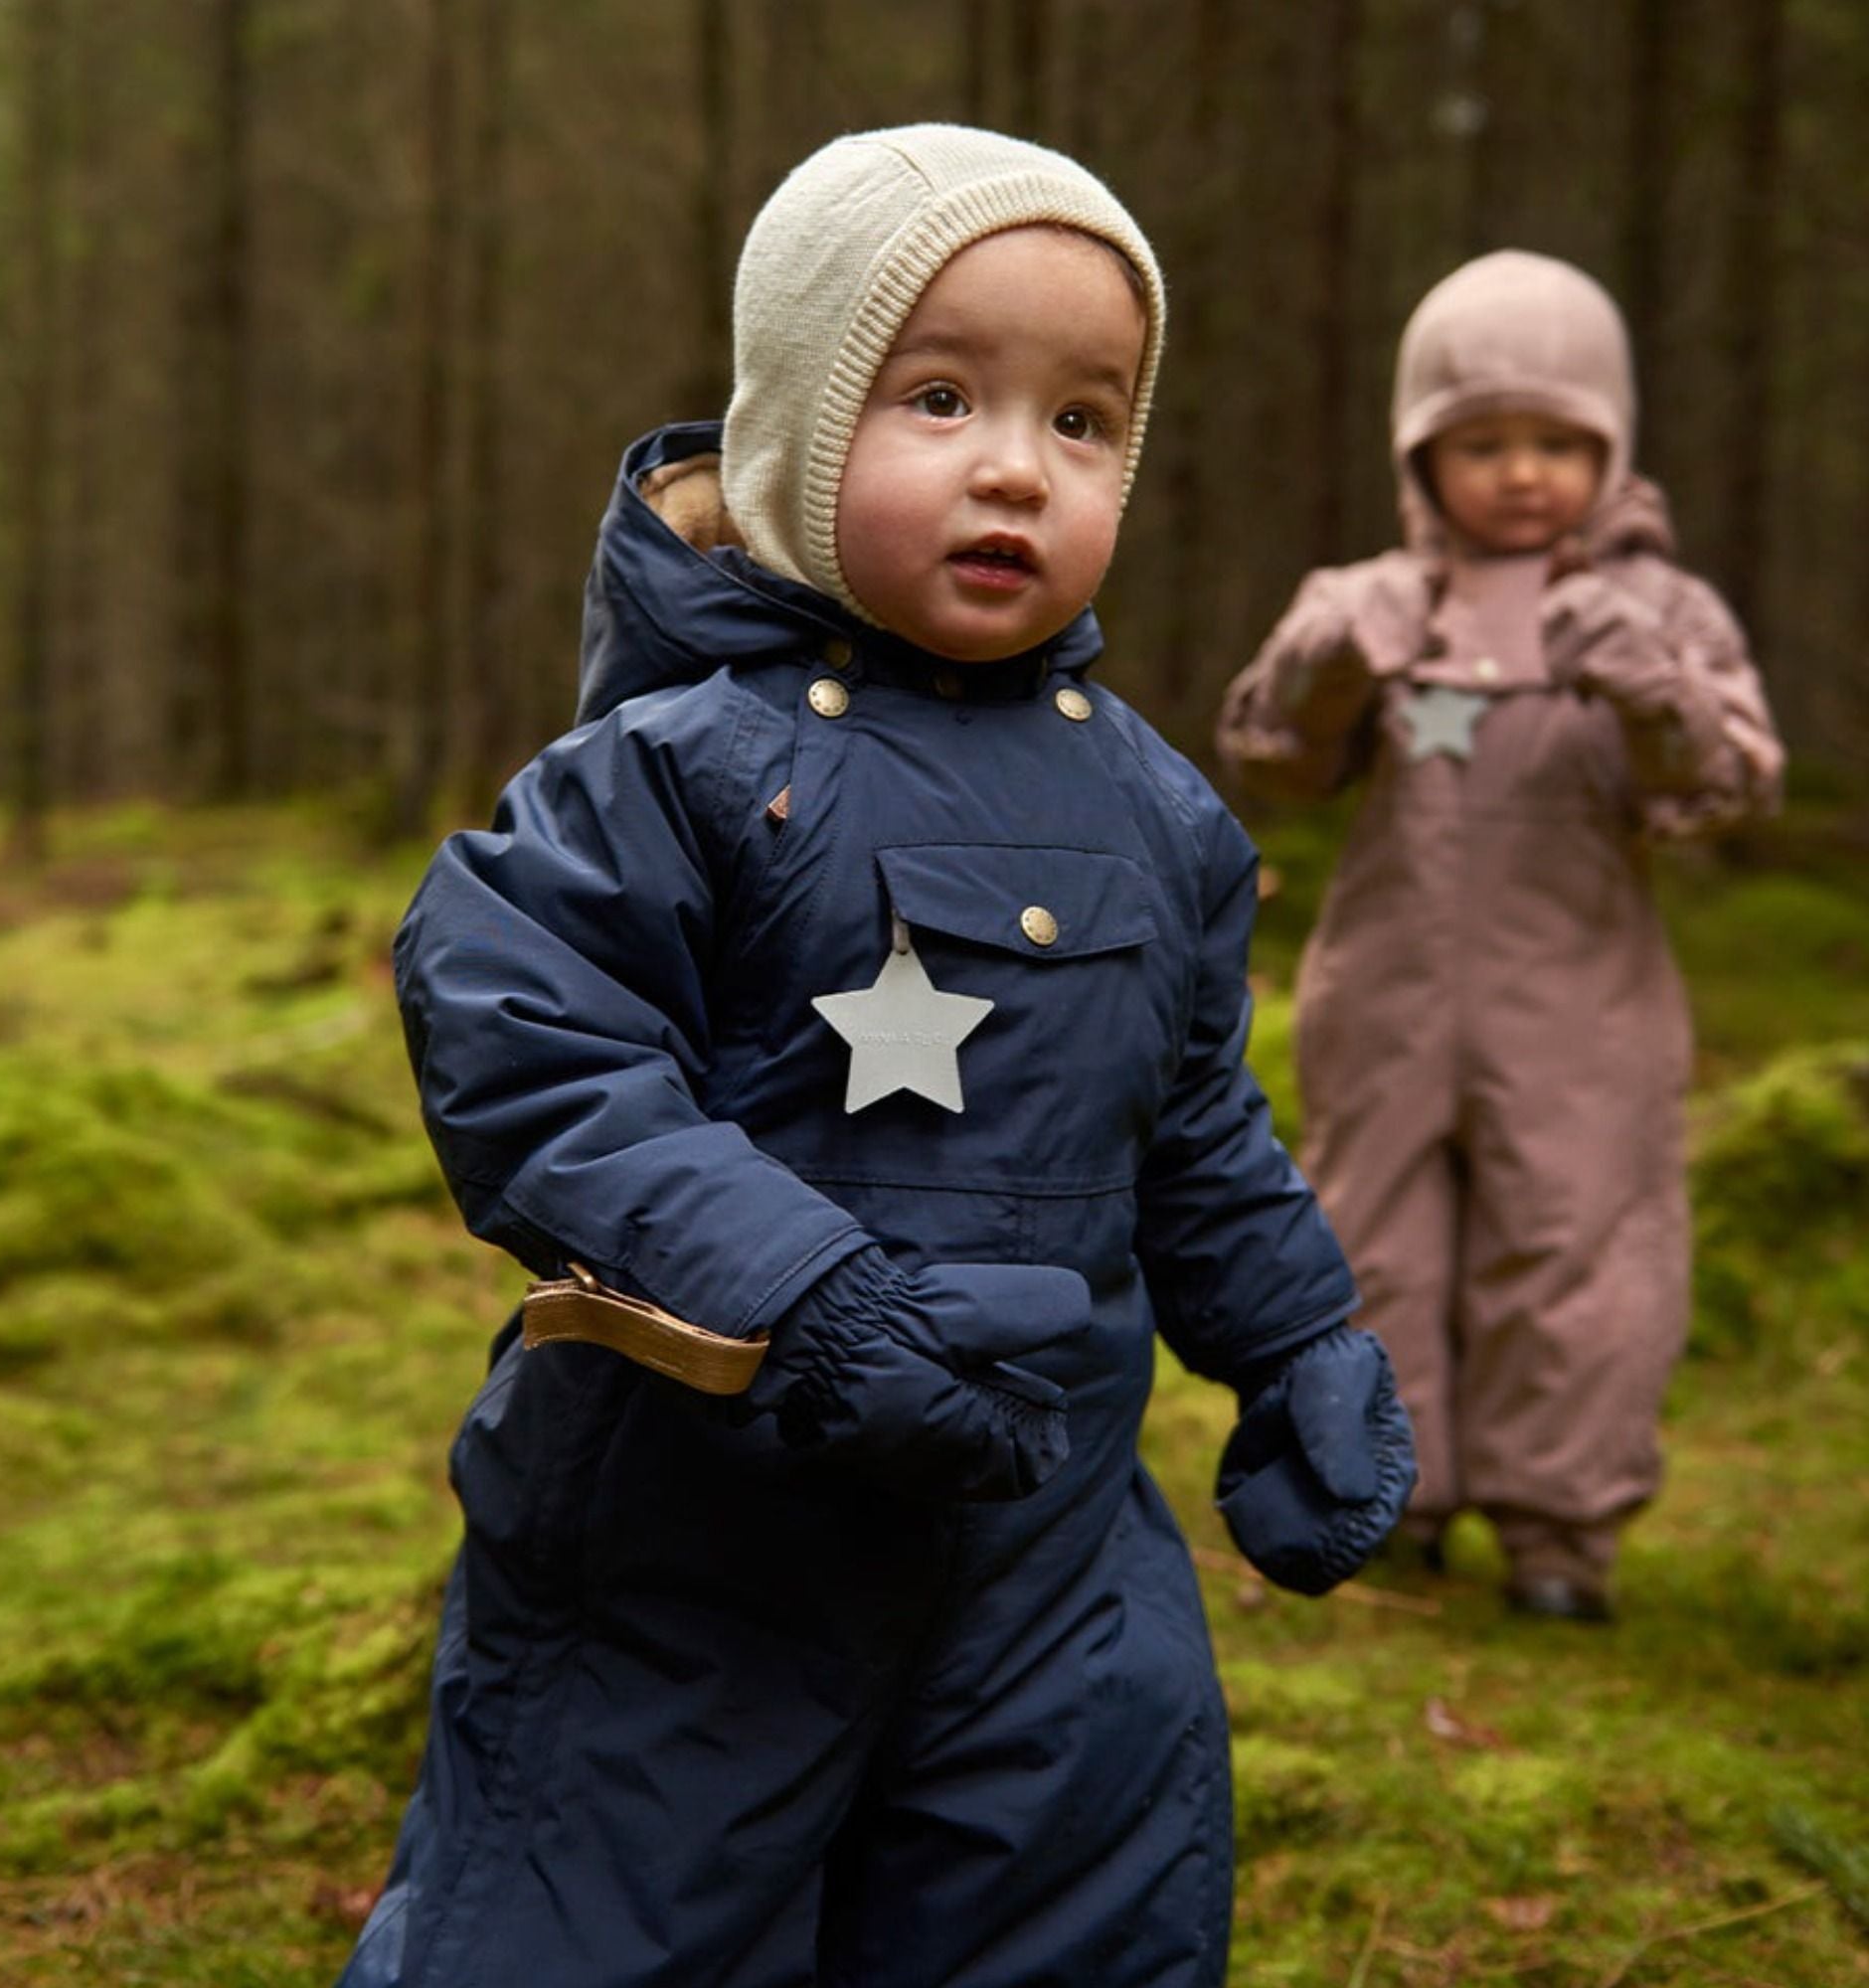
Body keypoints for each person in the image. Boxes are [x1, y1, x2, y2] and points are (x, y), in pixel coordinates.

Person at [337, 124, 1413, 1988]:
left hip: (1044, 1524)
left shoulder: (1156, 810)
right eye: (938, 397)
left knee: (1064, 1905)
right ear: (794, 438)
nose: (1015, 464)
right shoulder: (673, 768)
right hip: (705, 1520)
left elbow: (1191, 1118)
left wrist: (1295, 1337)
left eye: (1083, 421)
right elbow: (532, 1047)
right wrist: (812, 1298)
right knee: (603, 1913)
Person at [1217, 249, 1784, 1624]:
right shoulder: (1372, 596)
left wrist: (1656, 699)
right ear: (1424, 455)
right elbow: (1271, 757)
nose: (1521, 472)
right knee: (1377, 1244)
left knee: (1578, 1250)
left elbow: (1727, 787)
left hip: (1581, 1000)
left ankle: (1558, 1535)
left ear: (1612, 446)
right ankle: (1384, 1498)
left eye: (1556, 442)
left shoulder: (1664, 611)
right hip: (1392, 989)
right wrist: (1326, 664)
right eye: (1481, 444)